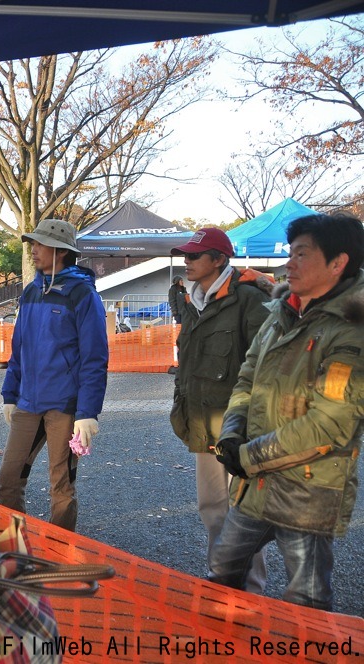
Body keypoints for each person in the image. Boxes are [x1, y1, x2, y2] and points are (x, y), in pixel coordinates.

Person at [208, 214, 364, 611]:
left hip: (308, 490)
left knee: (305, 599)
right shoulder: (281, 312)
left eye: (301, 254)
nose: (287, 263)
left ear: (338, 263)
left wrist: (246, 457)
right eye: (289, 253)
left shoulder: (352, 328)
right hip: (255, 486)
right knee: (222, 572)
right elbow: (247, 379)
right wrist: (231, 432)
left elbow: (329, 425)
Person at [169, 227, 272, 593]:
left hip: (241, 428)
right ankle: (223, 585)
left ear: (219, 260)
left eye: (196, 255)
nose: (187, 261)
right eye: (186, 255)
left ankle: (253, 591)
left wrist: (254, 424)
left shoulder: (249, 299)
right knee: (212, 508)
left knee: (244, 513)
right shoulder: (194, 301)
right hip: (202, 424)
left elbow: (267, 366)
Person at [0, 220, 107, 531]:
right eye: (33, 243)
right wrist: (10, 393)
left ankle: (59, 554)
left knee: (61, 487)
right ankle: (16, 546)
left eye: (40, 244)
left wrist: (87, 413)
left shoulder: (83, 294)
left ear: (60, 251)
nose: (33, 249)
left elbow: (95, 358)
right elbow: (19, 349)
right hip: (28, 403)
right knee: (8, 481)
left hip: (65, 406)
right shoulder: (31, 291)